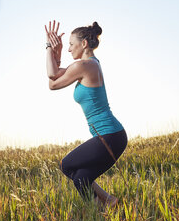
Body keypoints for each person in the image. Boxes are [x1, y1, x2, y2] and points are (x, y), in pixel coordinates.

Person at [44, 20, 128, 208]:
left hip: (110, 136)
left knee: (66, 165)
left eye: (71, 45)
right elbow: (53, 84)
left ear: (83, 44)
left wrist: (50, 47)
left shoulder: (85, 65)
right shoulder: (88, 66)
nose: (68, 50)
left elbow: (52, 75)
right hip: (112, 136)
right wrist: (55, 54)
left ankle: (101, 208)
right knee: (81, 178)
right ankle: (109, 205)